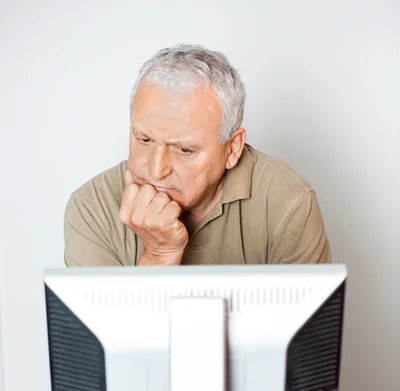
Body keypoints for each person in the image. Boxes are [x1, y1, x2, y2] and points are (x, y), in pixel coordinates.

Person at [64, 44, 331, 267]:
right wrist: (159, 254)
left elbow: (310, 331)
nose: (156, 171)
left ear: (232, 148)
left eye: (184, 150)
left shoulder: (288, 203)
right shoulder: (91, 207)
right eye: (143, 139)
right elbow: (108, 332)